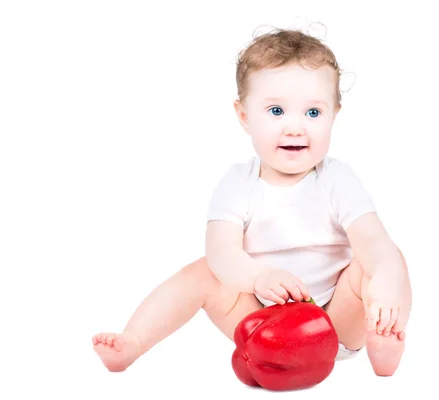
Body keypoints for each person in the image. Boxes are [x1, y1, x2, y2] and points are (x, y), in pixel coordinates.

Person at [92, 27, 412, 377]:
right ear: (244, 115)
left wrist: (384, 276)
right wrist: (258, 277)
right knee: (203, 271)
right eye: (276, 111)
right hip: (261, 326)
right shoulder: (237, 185)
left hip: (337, 323)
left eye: (313, 113)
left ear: (335, 114)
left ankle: (384, 337)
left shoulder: (337, 179)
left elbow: (372, 240)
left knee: (386, 259)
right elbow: (221, 252)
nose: (295, 128)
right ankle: (134, 341)